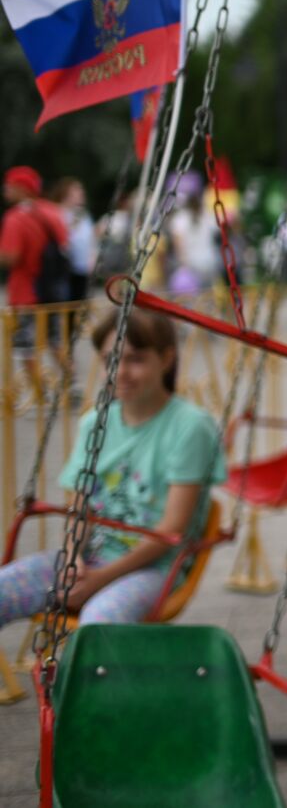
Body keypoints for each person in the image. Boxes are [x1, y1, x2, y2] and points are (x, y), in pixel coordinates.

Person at [0, 308, 226, 627]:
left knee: (100, 621)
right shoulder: (95, 423)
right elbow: (80, 506)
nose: (120, 372)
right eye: (110, 360)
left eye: (135, 359)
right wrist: (72, 558)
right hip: (91, 559)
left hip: (153, 568)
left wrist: (101, 578)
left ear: (166, 358)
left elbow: (172, 528)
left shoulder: (190, 428)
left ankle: (99, 675)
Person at [0, 165, 70, 402]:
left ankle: (42, 396)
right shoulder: (52, 212)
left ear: (22, 188)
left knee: (25, 348)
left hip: (25, 292)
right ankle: (73, 386)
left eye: (9, 185)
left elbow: (11, 256)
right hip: (51, 289)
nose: (5, 189)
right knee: (55, 341)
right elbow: (64, 244)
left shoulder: (15, 218)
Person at [52, 177, 95, 301]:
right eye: (77, 190)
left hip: (82, 268)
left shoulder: (83, 214)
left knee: (78, 303)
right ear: (65, 193)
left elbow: (89, 239)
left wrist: (91, 259)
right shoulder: (57, 212)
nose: (81, 193)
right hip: (64, 269)